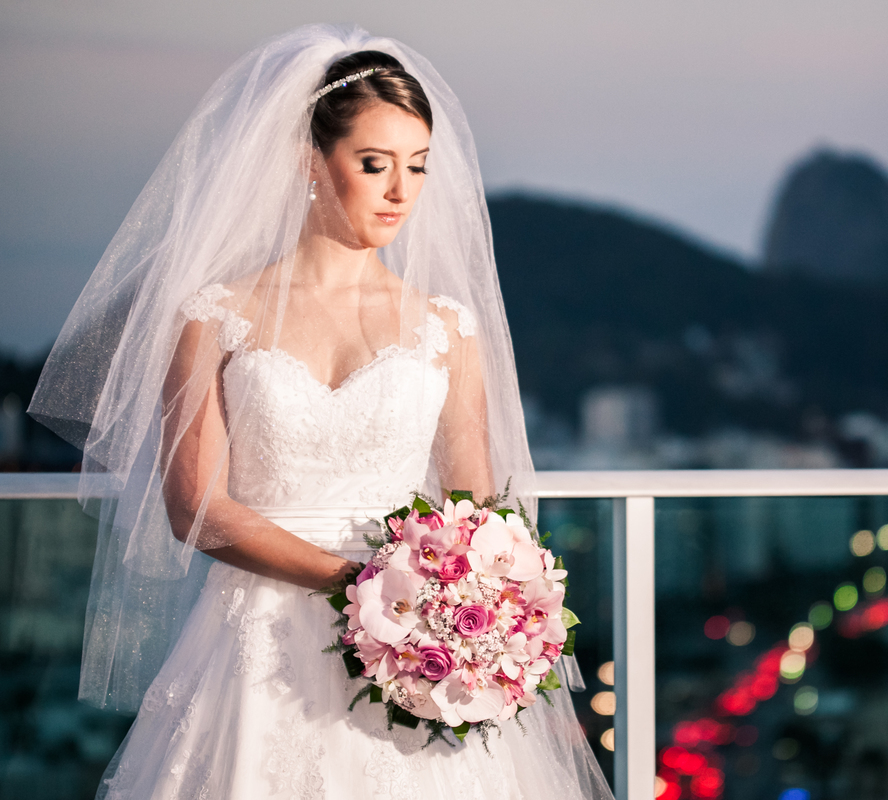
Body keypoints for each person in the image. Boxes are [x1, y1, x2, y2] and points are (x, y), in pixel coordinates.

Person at [30, 25, 612, 800]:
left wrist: (452, 608)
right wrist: (363, 584)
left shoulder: (446, 327)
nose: (402, 191)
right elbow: (195, 510)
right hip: (258, 642)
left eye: (417, 167)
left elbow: (479, 509)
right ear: (311, 163)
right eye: (375, 165)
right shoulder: (214, 314)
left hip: (417, 646)